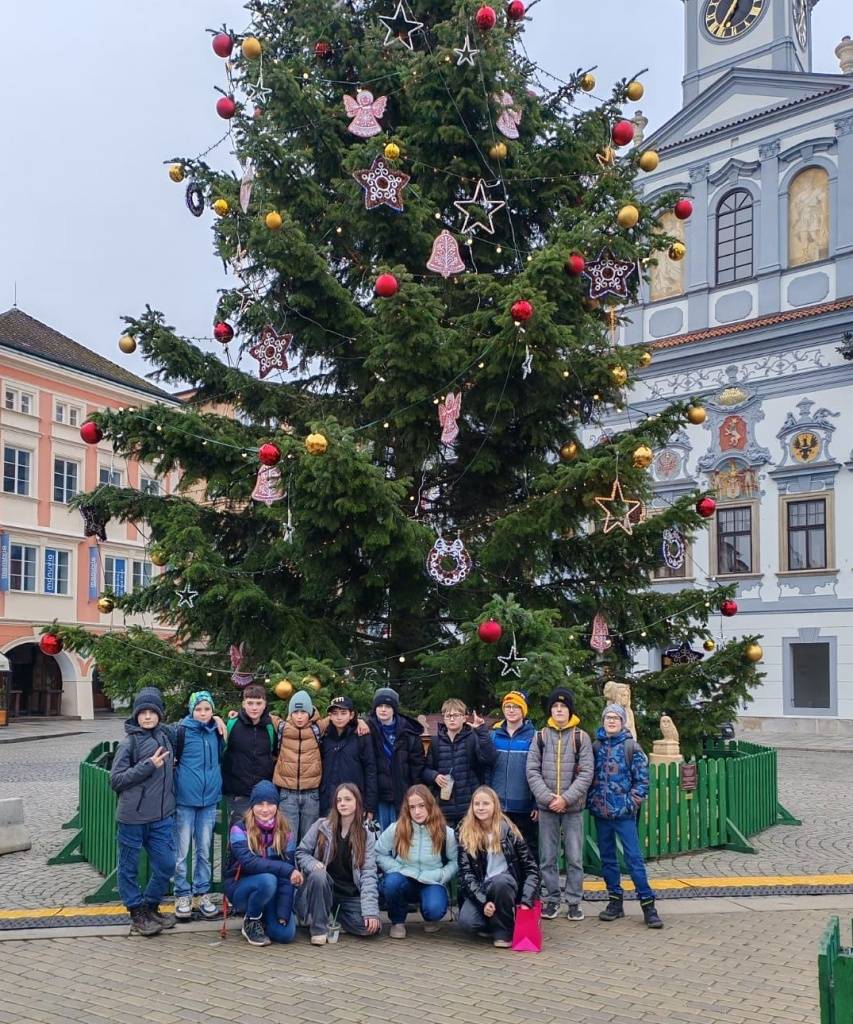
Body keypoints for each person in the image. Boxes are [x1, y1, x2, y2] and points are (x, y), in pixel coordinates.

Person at [109, 686, 178, 937]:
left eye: (152, 712)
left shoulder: (166, 736)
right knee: (128, 868)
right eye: (142, 712)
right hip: (133, 817)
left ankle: (150, 905)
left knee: (167, 865)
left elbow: (193, 723)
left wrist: (218, 718)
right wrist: (148, 765)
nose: (147, 716)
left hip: (161, 817)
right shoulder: (129, 743)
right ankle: (136, 912)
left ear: (159, 714)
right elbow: (116, 780)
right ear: (136, 715)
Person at [588, 704, 662, 929]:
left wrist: (630, 803)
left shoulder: (632, 747)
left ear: (622, 722)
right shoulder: (595, 746)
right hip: (601, 813)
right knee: (608, 859)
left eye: (615, 718)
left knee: (634, 859)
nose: (611, 721)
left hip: (624, 814)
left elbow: (642, 781)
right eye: (608, 717)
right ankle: (615, 902)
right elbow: (587, 775)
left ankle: (648, 905)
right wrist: (592, 800)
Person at [526, 686, 593, 921]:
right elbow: (532, 770)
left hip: (572, 808)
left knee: (574, 858)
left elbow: (586, 773)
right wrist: (548, 798)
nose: (559, 710)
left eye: (563, 706)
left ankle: (574, 902)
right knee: (548, 858)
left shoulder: (581, 737)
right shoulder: (541, 736)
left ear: (570, 710)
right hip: (547, 809)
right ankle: (552, 900)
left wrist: (565, 798)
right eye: (555, 706)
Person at [296, 783, 381, 944]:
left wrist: (371, 912)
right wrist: (313, 864)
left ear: (357, 802)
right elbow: (301, 852)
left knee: (370, 928)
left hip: (348, 895)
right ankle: (319, 930)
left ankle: (332, 916)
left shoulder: (366, 836)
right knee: (318, 875)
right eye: (339, 800)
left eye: (348, 799)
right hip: (323, 889)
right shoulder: (321, 826)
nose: (342, 803)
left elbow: (369, 874)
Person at [456, 785, 540, 948]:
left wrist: (527, 901)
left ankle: (504, 932)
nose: (481, 808)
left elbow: (531, 869)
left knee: (500, 882)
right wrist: (482, 902)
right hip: (481, 887)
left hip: (506, 885)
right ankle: (494, 922)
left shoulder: (509, 830)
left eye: (486, 803)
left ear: (495, 805)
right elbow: (466, 874)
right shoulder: (464, 831)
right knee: (468, 922)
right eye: (477, 804)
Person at [223, 780, 304, 946]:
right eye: (260, 804)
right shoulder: (239, 829)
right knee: (268, 879)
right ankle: (251, 920)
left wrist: (283, 912)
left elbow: (286, 878)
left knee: (285, 935)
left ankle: (265, 916)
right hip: (242, 888)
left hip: (273, 891)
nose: (265, 809)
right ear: (252, 805)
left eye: (270, 804)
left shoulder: (286, 832)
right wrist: (288, 870)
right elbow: (250, 863)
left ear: (277, 805)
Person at [375, 784, 458, 938]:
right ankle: (397, 921)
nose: (417, 811)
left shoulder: (446, 832)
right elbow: (379, 853)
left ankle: (430, 917)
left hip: (431, 880)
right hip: (404, 878)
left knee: (434, 909)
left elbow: (455, 861)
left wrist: (441, 875)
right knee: (391, 883)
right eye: (412, 807)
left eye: (421, 806)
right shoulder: (397, 828)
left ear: (430, 805)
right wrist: (398, 868)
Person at [173, 690, 224, 921]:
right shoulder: (181, 731)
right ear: (191, 710)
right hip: (185, 799)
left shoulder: (216, 732)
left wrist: (220, 719)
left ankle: (202, 893)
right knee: (181, 851)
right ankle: (182, 893)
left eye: (207, 709)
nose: (203, 713)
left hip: (209, 800)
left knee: (204, 850)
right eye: (199, 709)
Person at [423, 698, 497, 827]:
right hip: (444, 808)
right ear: (443, 718)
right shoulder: (435, 742)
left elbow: (489, 758)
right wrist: (434, 776)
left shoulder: (473, 738)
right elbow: (425, 770)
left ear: (464, 718)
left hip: (469, 807)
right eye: (448, 716)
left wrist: (481, 731)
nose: (452, 719)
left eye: (456, 715)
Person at [367, 687, 426, 830]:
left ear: (394, 709)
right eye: (380, 706)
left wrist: (416, 795)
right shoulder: (366, 730)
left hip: (403, 794)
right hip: (379, 795)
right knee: (382, 836)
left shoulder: (409, 733)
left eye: (388, 706)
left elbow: (417, 768)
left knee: (403, 834)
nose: (383, 710)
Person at [488, 690, 538, 853]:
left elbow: (539, 772)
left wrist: (537, 803)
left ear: (523, 710)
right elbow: (486, 769)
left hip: (524, 807)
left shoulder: (534, 737)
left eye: (516, 707)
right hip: (498, 806)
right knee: (500, 851)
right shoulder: (493, 736)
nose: (511, 710)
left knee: (526, 851)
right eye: (507, 706)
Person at [222, 684, 281, 823]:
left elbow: (274, 753)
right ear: (243, 704)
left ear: (265, 704)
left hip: (262, 796)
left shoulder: (270, 726)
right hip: (237, 794)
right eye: (250, 703)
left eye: (258, 703)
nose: (254, 708)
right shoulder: (232, 724)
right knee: (238, 832)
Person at [273, 690, 324, 844]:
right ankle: (289, 861)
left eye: (303, 712)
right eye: (295, 712)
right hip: (287, 794)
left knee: (309, 839)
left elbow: (343, 719)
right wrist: (231, 715)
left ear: (310, 712)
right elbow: (258, 714)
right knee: (288, 839)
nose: (299, 716)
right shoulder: (282, 727)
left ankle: (306, 861)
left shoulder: (318, 728)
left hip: (311, 794)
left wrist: (360, 722)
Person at [318, 696, 378, 819]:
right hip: (328, 800)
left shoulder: (361, 736)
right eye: (335, 713)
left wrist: (369, 806)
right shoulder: (325, 736)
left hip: (354, 800)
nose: (339, 717)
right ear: (330, 716)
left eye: (343, 713)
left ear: (351, 715)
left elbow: (370, 770)